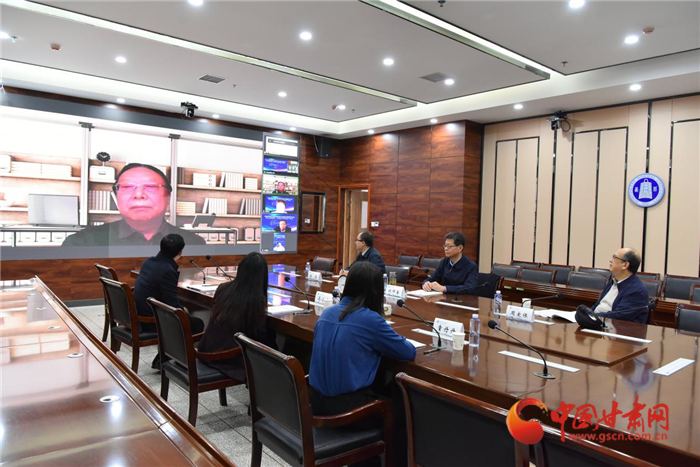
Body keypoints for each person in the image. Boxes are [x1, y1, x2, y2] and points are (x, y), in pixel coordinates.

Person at [309, 261, 416, 416]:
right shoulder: (370, 320)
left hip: (315, 402)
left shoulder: (327, 312)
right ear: (376, 291)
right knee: (403, 402)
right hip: (346, 409)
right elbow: (408, 352)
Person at [62, 163, 205, 246]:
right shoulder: (81, 243)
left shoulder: (194, 243)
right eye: (127, 187)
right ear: (116, 197)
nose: (138, 194)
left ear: (168, 196)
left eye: (151, 187)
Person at [198, 252, 276, 381]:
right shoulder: (256, 299)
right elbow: (258, 333)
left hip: (207, 349)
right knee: (273, 346)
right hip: (228, 360)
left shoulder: (223, 288)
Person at [132, 233, 205, 369]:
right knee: (197, 324)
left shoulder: (149, 262)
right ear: (180, 251)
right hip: (151, 319)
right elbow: (171, 304)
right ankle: (171, 359)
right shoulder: (167, 270)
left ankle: (166, 356)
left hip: (141, 311)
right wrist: (183, 311)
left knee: (186, 315)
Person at [591, 248, 650, 323]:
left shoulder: (637, 290)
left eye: (614, 257)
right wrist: (587, 314)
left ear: (625, 265)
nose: (610, 260)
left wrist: (592, 316)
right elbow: (598, 305)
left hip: (616, 328)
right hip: (598, 323)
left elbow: (618, 317)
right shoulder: (613, 281)